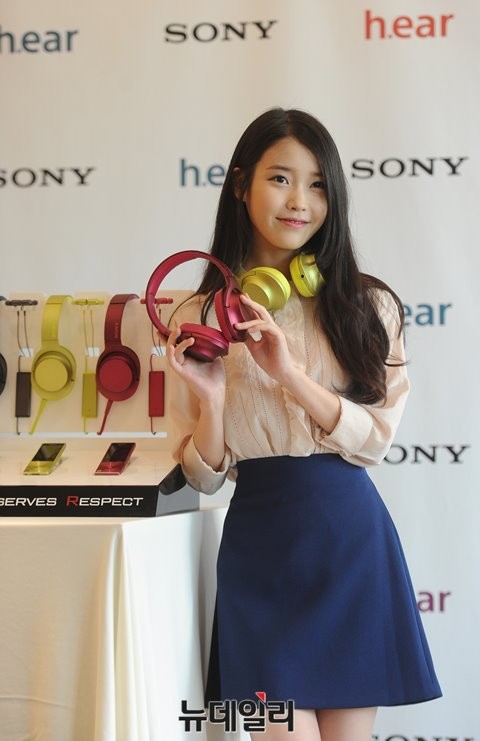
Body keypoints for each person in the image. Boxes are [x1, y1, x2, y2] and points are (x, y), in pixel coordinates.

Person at [165, 108, 442, 740]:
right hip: (259, 552)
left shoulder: (367, 305)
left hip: (350, 543)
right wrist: (212, 402)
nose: (300, 202)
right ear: (242, 185)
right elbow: (203, 478)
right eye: (280, 179)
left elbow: (375, 439)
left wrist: (288, 374)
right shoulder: (198, 316)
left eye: (318, 185)